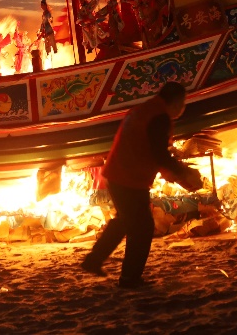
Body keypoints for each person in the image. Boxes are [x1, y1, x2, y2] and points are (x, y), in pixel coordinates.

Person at [81, 82, 203, 288]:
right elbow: (159, 154)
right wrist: (183, 173)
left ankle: (94, 260)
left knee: (126, 220)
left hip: (117, 173)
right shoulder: (160, 117)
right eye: (183, 103)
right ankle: (129, 278)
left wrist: (173, 173)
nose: (183, 108)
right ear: (175, 102)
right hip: (130, 178)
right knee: (142, 228)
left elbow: (149, 149)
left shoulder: (144, 110)